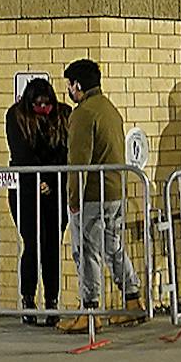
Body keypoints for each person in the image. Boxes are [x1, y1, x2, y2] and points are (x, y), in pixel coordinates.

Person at [60, 58, 143, 332]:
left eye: (70, 85)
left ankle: (89, 310)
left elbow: (78, 162)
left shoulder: (83, 114)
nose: (69, 91)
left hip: (92, 195)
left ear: (78, 85)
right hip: (115, 191)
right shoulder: (110, 109)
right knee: (113, 248)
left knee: (86, 252)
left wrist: (73, 200)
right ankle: (132, 300)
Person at [5, 77, 70, 327]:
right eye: (38, 104)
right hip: (26, 189)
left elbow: (65, 151)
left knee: (52, 244)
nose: (43, 108)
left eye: (47, 103)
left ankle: (52, 301)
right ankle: (28, 300)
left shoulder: (64, 114)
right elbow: (21, 153)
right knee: (32, 243)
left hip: (55, 188)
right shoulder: (16, 116)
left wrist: (50, 180)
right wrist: (38, 179)